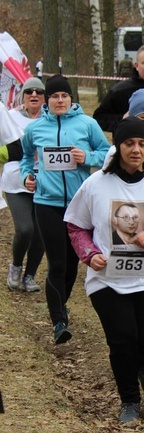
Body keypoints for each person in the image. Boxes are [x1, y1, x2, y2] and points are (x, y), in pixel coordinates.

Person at [64, 116, 144, 424]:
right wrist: (89, 254)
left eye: (142, 144)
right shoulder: (96, 184)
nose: (136, 150)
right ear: (118, 147)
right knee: (121, 340)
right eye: (129, 143)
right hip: (108, 279)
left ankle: (143, 361)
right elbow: (76, 226)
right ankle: (129, 401)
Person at [20, 74, 111, 344]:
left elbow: (107, 152)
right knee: (57, 263)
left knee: (72, 265)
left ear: (71, 99)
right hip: (46, 203)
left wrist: (88, 157)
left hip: (80, 205)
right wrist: (28, 175)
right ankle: (59, 321)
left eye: (64, 96)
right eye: (54, 96)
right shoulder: (35, 129)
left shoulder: (87, 124)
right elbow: (26, 156)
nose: (60, 100)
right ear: (47, 101)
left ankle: (61, 305)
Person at [3, 78, 46, 292]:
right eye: (30, 91)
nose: (34, 95)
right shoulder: (10, 118)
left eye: (39, 91)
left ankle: (30, 276)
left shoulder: (52, 120)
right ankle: (16, 266)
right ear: (23, 95)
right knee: (25, 228)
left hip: (44, 183)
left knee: (40, 233)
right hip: (15, 181)